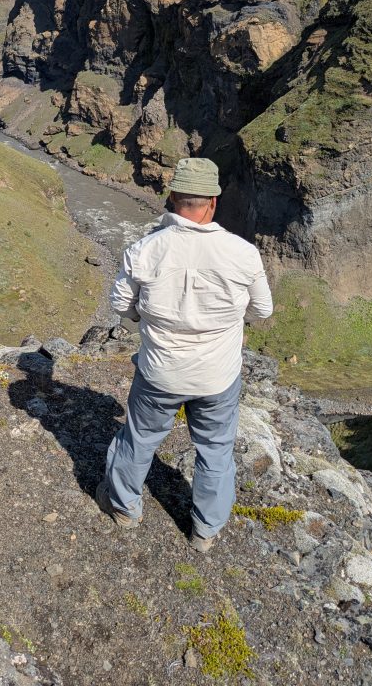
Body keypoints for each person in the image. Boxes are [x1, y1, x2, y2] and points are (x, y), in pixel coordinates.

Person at [95, 157, 273, 552]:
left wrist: (148, 317)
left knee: (139, 438)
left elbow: (121, 303)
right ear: (212, 202)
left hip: (160, 372)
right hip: (217, 376)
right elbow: (262, 311)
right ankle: (204, 532)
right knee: (215, 450)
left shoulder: (143, 250)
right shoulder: (243, 254)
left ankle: (124, 509)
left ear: (173, 199)